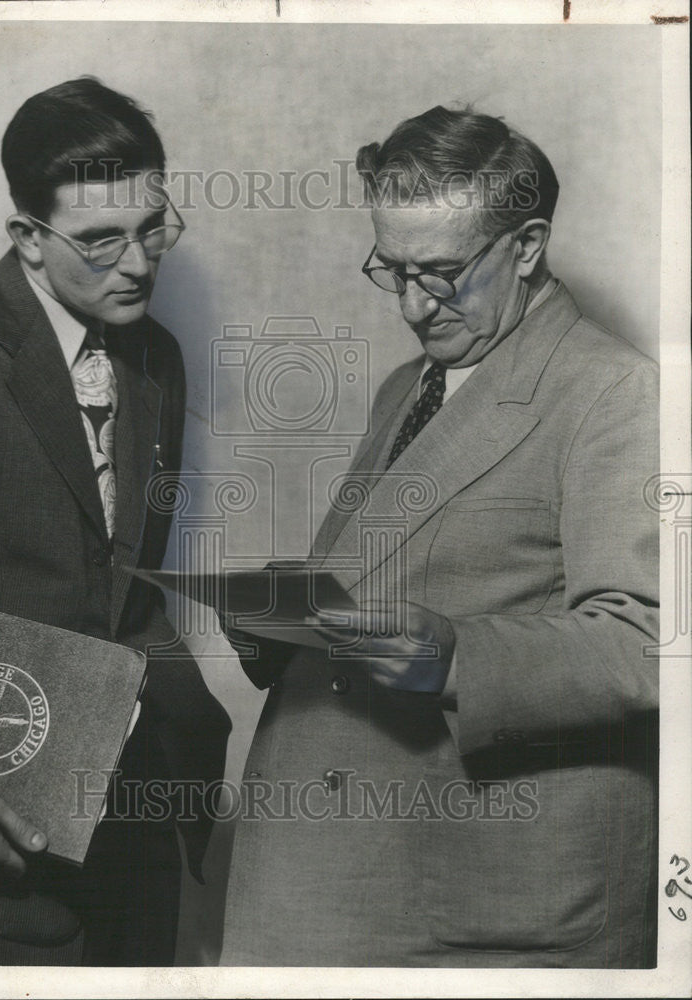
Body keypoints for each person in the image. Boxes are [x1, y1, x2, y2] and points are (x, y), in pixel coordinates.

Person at [220, 106, 658, 967]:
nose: (416, 306)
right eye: (393, 270)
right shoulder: (410, 385)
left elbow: (650, 644)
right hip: (346, 875)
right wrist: (282, 617)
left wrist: (461, 658)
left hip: (474, 901)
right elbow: (385, 573)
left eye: (444, 272)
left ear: (527, 247)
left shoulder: (614, 392)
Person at [0, 77, 231, 966]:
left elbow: (121, 581)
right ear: (27, 237)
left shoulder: (156, 358)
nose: (138, 264)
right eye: (100, 241)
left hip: (134, 818)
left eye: (153, 228)